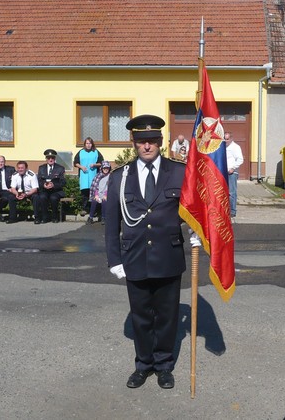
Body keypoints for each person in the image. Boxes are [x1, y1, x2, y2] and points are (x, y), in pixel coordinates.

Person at [105, 114, 187, 390]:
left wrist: (198, 234)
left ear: (161, 142)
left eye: (152, 141)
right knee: (140, 317)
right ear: (134, 143)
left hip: (168, 256)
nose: (147, 146)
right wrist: (114, 259)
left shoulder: (179, 172)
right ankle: (143, 365)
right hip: (135, 258)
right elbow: (111, 223)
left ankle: (164, 366)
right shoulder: (119, 177)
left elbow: (193, 211)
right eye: (142, 142)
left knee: (167, 316)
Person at [74, 137, 104, 217]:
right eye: (87, 143)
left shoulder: (96, 152)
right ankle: (84, 209)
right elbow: (75, 162)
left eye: (90, 143)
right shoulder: (81, 152)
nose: (88, 145)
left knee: (94, 193)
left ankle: (93, 210)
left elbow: (101, 163)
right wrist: (81, 167)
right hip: (84, 176)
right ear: (84, 144)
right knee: (84, 193)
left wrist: (94, 165)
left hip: (93, 175)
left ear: (92, 144)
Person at [37, 149, 66, 223]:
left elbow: (63, 182)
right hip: (45, 190)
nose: (50, 159)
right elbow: (39, 180)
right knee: (42, 197)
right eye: (48, 158)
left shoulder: (60, 168)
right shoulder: (41, 168)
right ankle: (45, 217)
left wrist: (53, 185)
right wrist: (43, 184)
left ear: (55, 158)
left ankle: (54, 216)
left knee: (53, 198)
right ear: (46, 159)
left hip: (56, 191)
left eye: (52, 158)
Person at [224, 131, 243, 221]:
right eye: (224, 138)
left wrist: (233, 168)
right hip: (224, 172)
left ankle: (232, 211)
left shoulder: (235, 147)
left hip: (231, 173)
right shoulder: (223, 146)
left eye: (227, 139)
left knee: (232, 193)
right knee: (224, 192)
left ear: (231, 139)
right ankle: (225, 209)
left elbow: (240, 159)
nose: (225, 140)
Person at [87, 161, 111, 225]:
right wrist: (96, 195)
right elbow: (95, 187)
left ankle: (104, 218)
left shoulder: (110, 176)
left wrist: (105, 195)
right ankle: (90, 218)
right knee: (94, 201)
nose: (106, 169)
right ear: (102, 168)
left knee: (104, 202)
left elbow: (110, 188)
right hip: (98, 194)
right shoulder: (98, 176)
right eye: (104, 168)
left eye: (107, 168)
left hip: (106, 194)